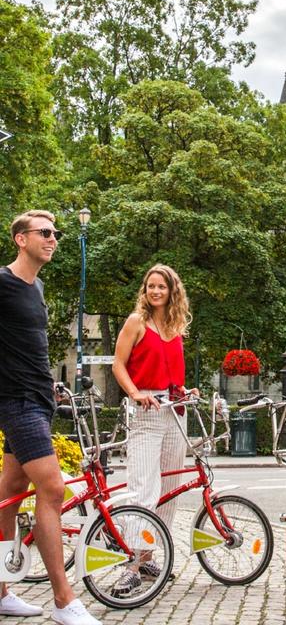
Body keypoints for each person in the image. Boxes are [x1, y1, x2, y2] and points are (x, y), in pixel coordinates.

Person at [0, 210, 101, 625]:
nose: (53, 238)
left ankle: (1, 590)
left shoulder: (36, 286)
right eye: (44, 232)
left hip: (39, 399)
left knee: (10, 488)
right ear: (20, 239)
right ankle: (64, 600)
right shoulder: (2, 282)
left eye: (56, 233)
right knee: (53, 489)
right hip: (16, 401)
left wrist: (52, 387)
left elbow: (31, 347)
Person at [112, 264, 194, 597]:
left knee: (169, 489)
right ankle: (131, 565)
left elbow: (172, 372)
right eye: (150, 286)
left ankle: (148, 556)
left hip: (175, 412)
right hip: (146, 413)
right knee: (143, 487)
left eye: (161, 286)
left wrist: (187, 391)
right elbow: (118, 364)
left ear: (173, 291)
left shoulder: (175, 326)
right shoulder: (137, 322)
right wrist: (134, 392)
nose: (155, 291)